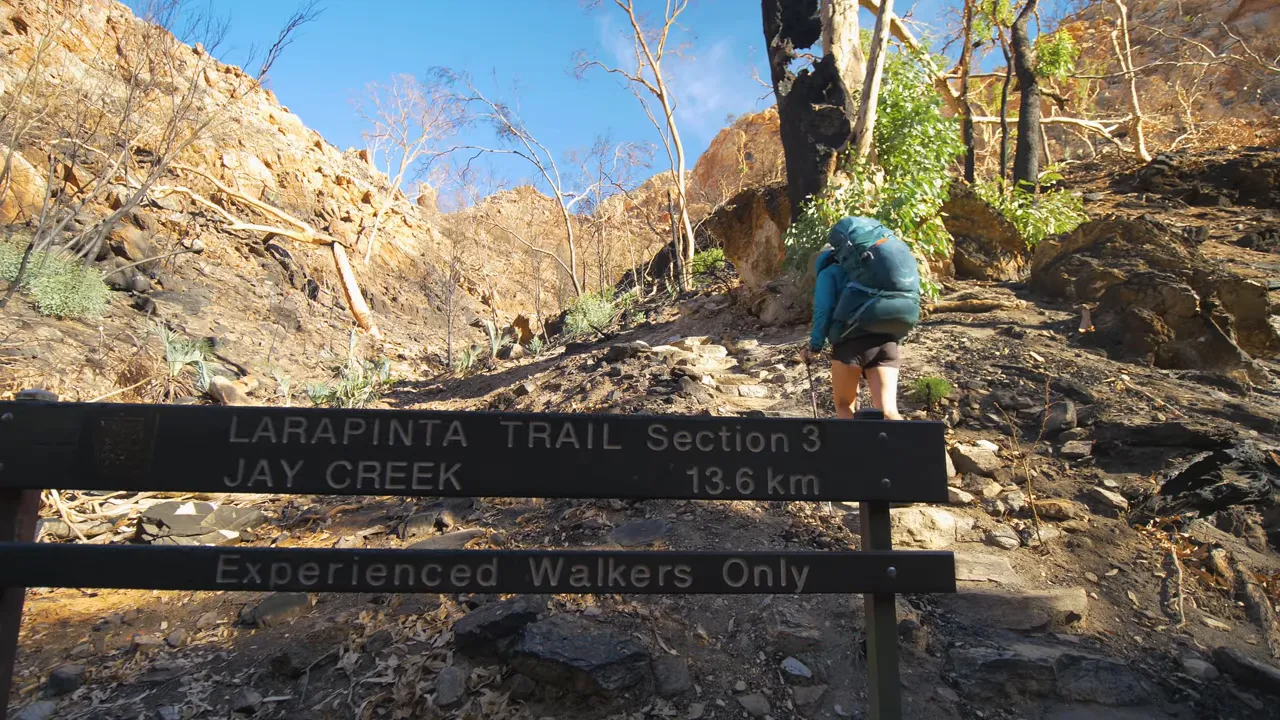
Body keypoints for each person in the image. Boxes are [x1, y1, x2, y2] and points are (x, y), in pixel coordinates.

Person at [800, 217, 913, 420]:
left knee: (845, 407)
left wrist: (815, 346)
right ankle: (908, 450)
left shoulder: (829, 272)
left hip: (851, 344)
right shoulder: (872, 271)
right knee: (888, 410)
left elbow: (823, 310)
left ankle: (852, 452)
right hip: (886, 342)